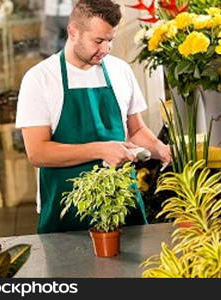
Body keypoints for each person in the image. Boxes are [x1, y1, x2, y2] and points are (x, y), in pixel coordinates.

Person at [15, 0, 171, 234]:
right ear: (73, 32)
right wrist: (101, 149)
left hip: (121, 202)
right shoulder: (40, 79)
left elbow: (136, 130)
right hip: (66, 210)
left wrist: (161, 149)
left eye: (110, 40)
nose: (106, 49)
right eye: (98, 41)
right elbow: (38, 153)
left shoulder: (120, 71)